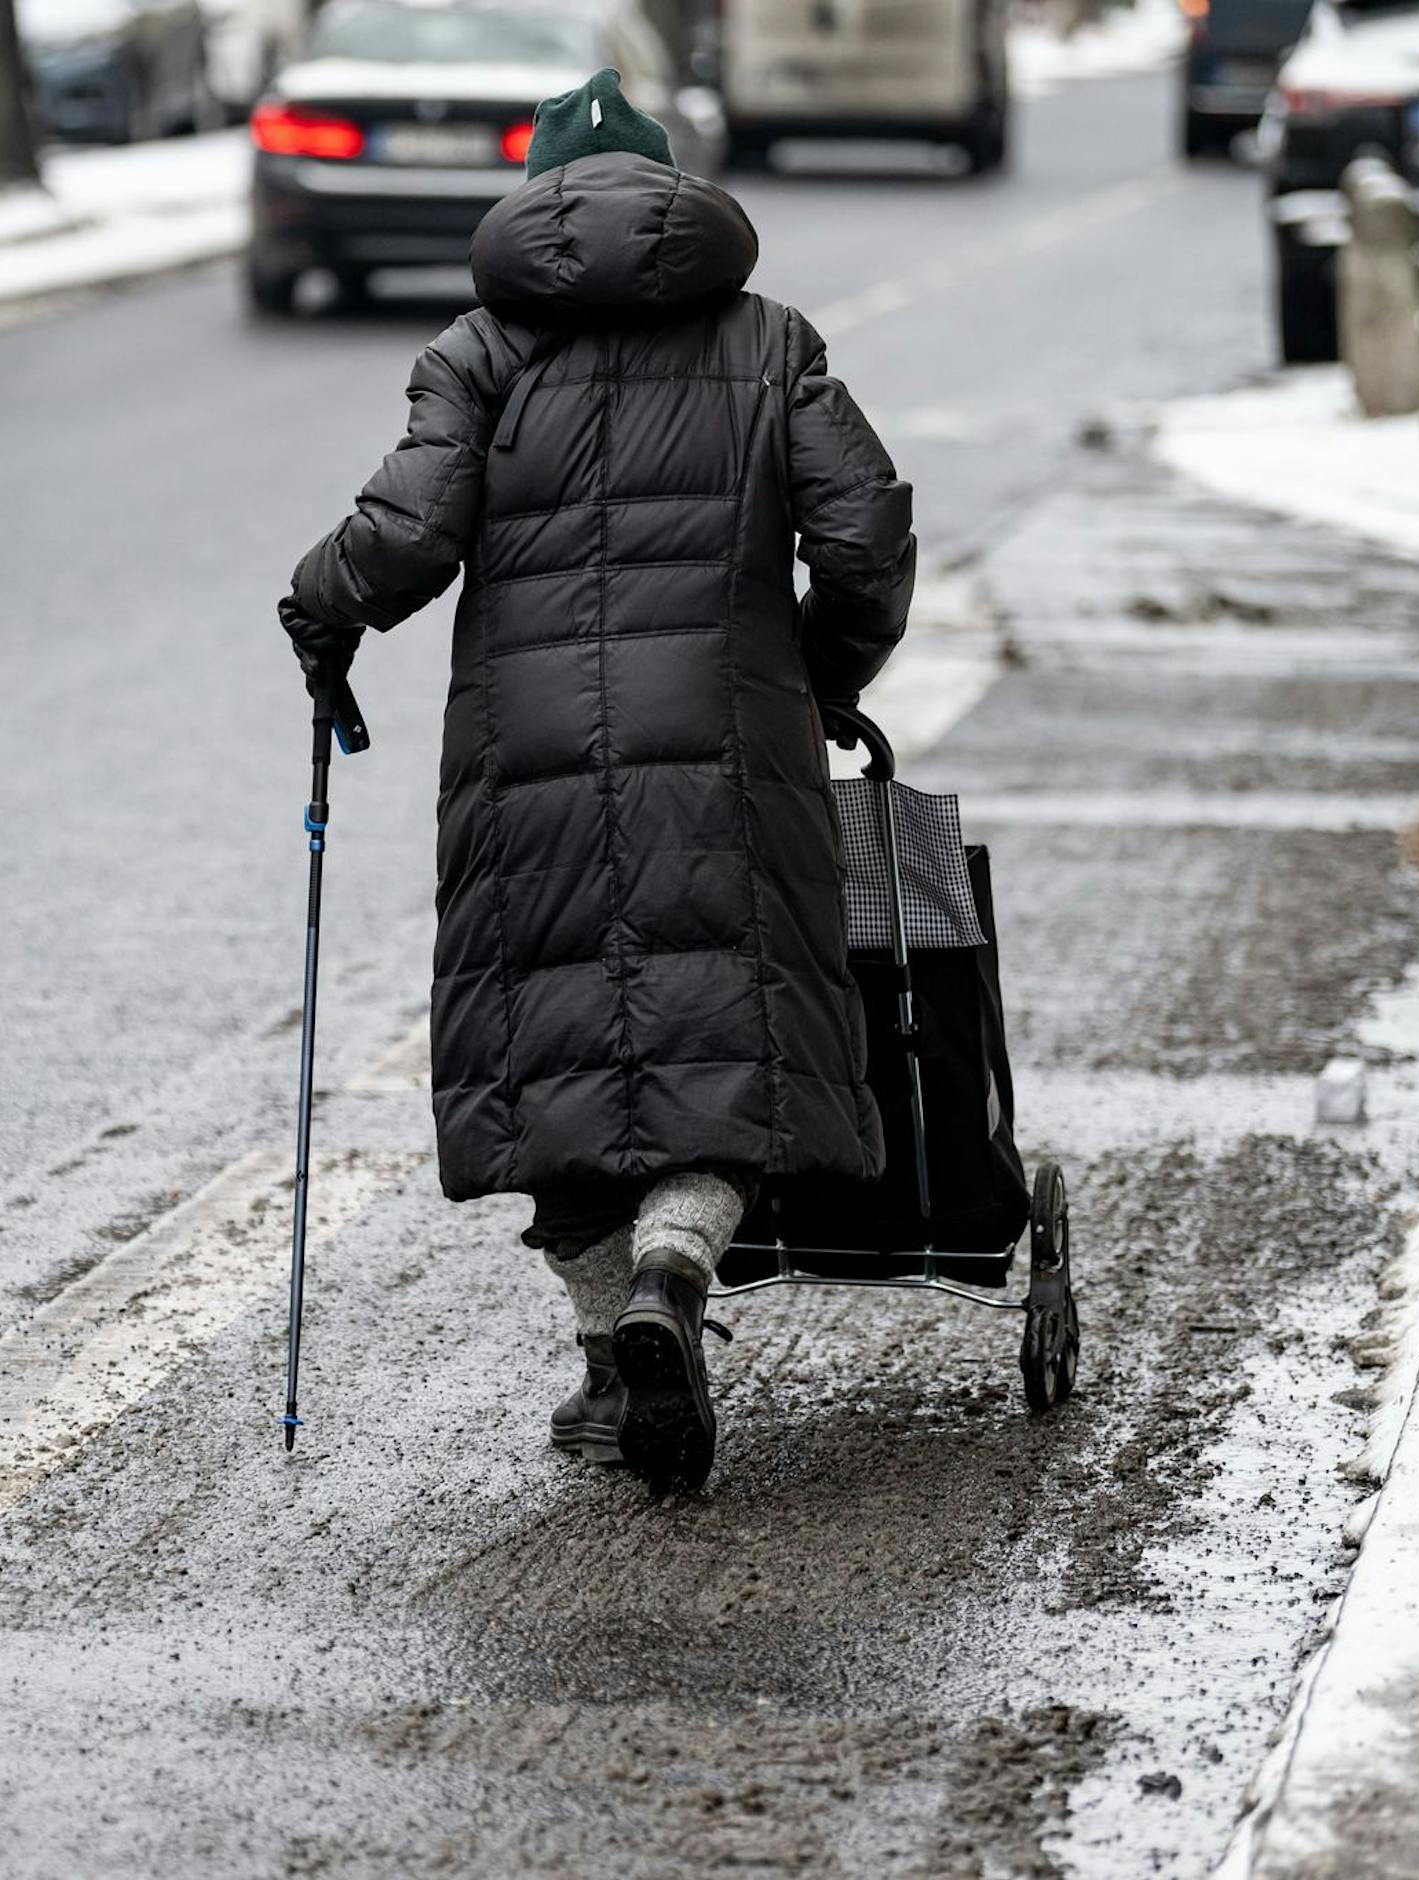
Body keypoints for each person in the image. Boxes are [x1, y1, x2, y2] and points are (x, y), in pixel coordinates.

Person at [280, 70, 915, 1489]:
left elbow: (405, 534)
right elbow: (865, 531)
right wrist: (822, 677)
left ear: (532, 198)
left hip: (530, 764)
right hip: (733, 754)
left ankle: (604, 1350)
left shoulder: (480, 351)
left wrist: (321, 606)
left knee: (548, 1058)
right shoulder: (768, 341)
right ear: (673, 191)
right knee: (727, 1043)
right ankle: (673, 1275)